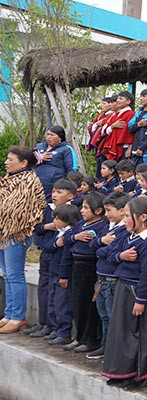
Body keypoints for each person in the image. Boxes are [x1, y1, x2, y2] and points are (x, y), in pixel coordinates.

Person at [102, 197, 147, 389]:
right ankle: (121, 370)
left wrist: (141, 299)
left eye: (128, 215)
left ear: (142, 217)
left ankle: (138, 374)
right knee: (121, 332)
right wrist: (121, 256)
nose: (124, 219)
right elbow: (109, 254)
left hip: (136, 292)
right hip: (122, 287)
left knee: (137, 333)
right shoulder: (127, 236)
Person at [0, 146, 46, 334]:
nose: (6, 162)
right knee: (6, 274)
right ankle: (9, 313)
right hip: (4, 233)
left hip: (17, 233)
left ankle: (18, 316)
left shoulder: (28, 181)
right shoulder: (11, 180)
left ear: (23, 163)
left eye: (10, 159)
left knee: (15, 274)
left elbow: (16, 210)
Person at [26, 179, 76, 339]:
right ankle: (44, 322)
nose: (54, 195)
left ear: (70, 196)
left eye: (59, 192)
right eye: (53, 191)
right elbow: (36, 228)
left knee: (57, 294)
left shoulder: (72, 211)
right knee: (44, 289)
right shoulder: (48, 209)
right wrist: (48, 226)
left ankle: (56, 327)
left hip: (61, 256)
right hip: (47, 251)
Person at [62, 191, 106, 352]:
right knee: (77, 303)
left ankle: (89, 339)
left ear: (99, 210)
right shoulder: (80, 225)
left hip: (90, 268)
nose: (82, 210)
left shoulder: (102, 226)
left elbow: (93, 247)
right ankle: (79, 336)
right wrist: (76, 237)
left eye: (86, 208)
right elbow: (66, 239)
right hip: (76, 266)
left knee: (89, 305)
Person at [87, 191, 130, 359]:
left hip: (112, 280)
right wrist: (100, 241)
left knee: (113, 317)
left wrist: (101, 249)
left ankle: (114, 348)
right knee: (103, 315)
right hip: (100, 278)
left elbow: (112, 251)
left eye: (109, 210)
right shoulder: (107, 228)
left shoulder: (124, 231)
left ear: (122, 211)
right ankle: (105, 345)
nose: (106, 215)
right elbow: (93, 246)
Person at [45, 203, 79, 346]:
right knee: (52, 301)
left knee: (62, 303)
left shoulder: (69, 235)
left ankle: (64, 331)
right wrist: (55, 244)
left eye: (57, 219)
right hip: (53, 272)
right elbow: (47, 247)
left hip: (62, 274)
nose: (54, 222)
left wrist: (64, 276)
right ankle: (55, 327)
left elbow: (66, 259)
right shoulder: (58, 234)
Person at [34, 125, 78, 201]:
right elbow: (27, 162)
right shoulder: (39, 147)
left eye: (52, 135)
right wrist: (40, 158)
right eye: (47, 134)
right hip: (35, 183)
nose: (48, 137)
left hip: (53, 185)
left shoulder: (66, 149)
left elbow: (72, 169)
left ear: (60, 137)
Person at [128, 89, 147, 167]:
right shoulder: (139, 112)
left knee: (145, 173)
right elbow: (129, 127)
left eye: (144, 96)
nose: (141, 98)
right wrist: (138, 124)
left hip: (146, 150)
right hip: (135, 147)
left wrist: (141, 148)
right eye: (140, 96)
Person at [100, 92, 135, 161]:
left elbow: (131, 132)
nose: (118, 100)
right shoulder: (116, 114)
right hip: (113, 145)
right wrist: (113, 126)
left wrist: (130, 147)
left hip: (123, 146)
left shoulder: (130, 114)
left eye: (121, 99)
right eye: (118, 98)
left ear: (128, 101)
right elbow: (106, 131)